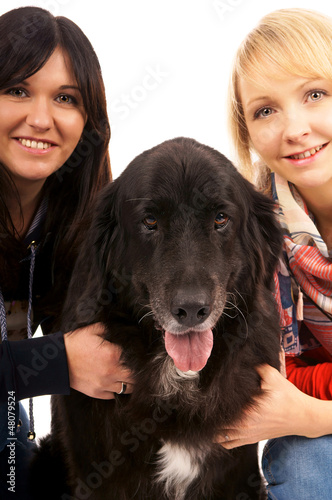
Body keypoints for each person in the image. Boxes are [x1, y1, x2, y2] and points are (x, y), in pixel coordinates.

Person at [0, 7, 134, 499]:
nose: (40, 118)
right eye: (17, 89)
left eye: (65, 98)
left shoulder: (80, 222)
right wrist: (57, 360)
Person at [220, 8, 332, 500]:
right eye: (266, 110)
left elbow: (294, 397)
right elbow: (270, 377)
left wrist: (311, 412)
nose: (295, 129)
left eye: (315, 94)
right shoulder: (255, 233)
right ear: (247, 134)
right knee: (301, 462)